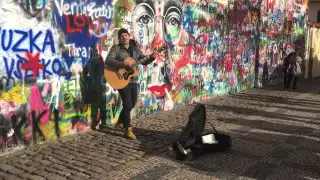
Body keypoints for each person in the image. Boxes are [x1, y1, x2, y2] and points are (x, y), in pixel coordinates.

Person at [105, 28, 157, 139]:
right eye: (121, 36)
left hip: (132, 79)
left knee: (132, 103)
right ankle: (127, 129)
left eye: (125, 35)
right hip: (120, 79)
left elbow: (143, 60)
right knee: (127, 103)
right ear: (119, 38)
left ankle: (120, 120)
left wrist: (151, 58)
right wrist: (122, 63)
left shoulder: (135, 48)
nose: (124, 37)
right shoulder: (116, 48)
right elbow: (108, 61)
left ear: (129, 36)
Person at [82, 45, 107, 130]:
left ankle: (94, 123)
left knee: (94, 105)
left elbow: (84, 73)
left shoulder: (89, 62)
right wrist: (104, 81)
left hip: (93, 87)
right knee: (102, 105)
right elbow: (106, 73)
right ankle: (103, 123)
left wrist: (88, 79)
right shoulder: (102, 62)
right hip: (102, 87)